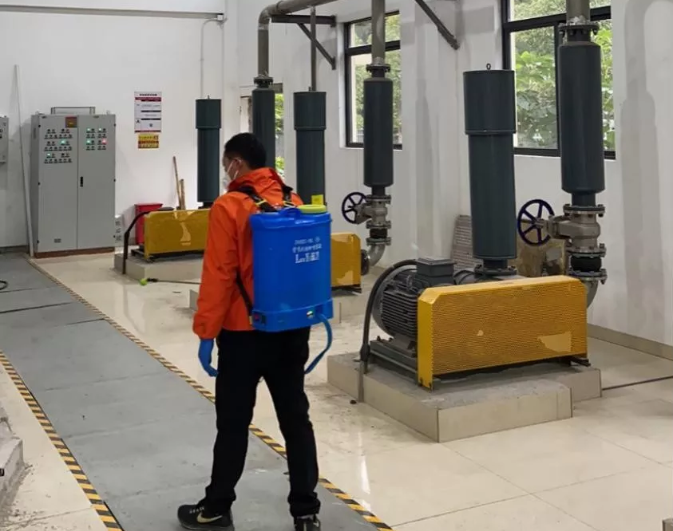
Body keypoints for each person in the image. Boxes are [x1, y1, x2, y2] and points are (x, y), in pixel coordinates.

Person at [178, 133, 321, 531]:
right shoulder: (293, 200)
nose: (225, 171)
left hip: (244, 334)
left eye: (226, 163)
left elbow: (219, 275)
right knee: (296, 420)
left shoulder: (229, 207)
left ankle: (216, 508)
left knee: (233, 423)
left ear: (237, 163)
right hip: (291, 329)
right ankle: (306, 512)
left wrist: (206, 332)